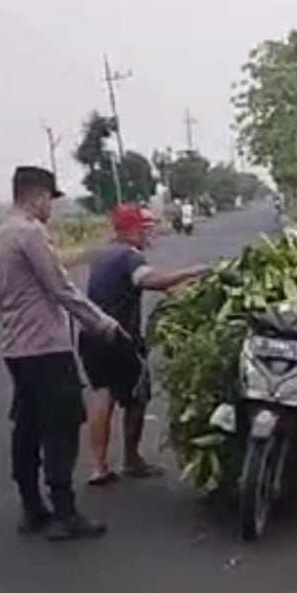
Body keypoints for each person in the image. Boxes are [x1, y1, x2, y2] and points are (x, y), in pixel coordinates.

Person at [0, 166, 128, 541]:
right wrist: (102, 324)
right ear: (37, 197)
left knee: (27, 427)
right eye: (50, 199)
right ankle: (65, 512)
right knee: (60, 428)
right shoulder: (31, 233)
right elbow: (60, 289)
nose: (52, 207)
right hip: (46, 348)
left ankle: (32, 507)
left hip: (16, 347)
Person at [79, 204, 209, 485]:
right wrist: (192, 272)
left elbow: (135, 284)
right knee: (138, 396)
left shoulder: (102, 253)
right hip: (120, 337)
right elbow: (149, 280)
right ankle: (131, 460)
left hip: (91, 333)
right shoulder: (129, 255)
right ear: (130, 229)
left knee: (103, 394)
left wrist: (177, 292)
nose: (148, 234)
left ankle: (98, 466)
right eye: (144, 229)